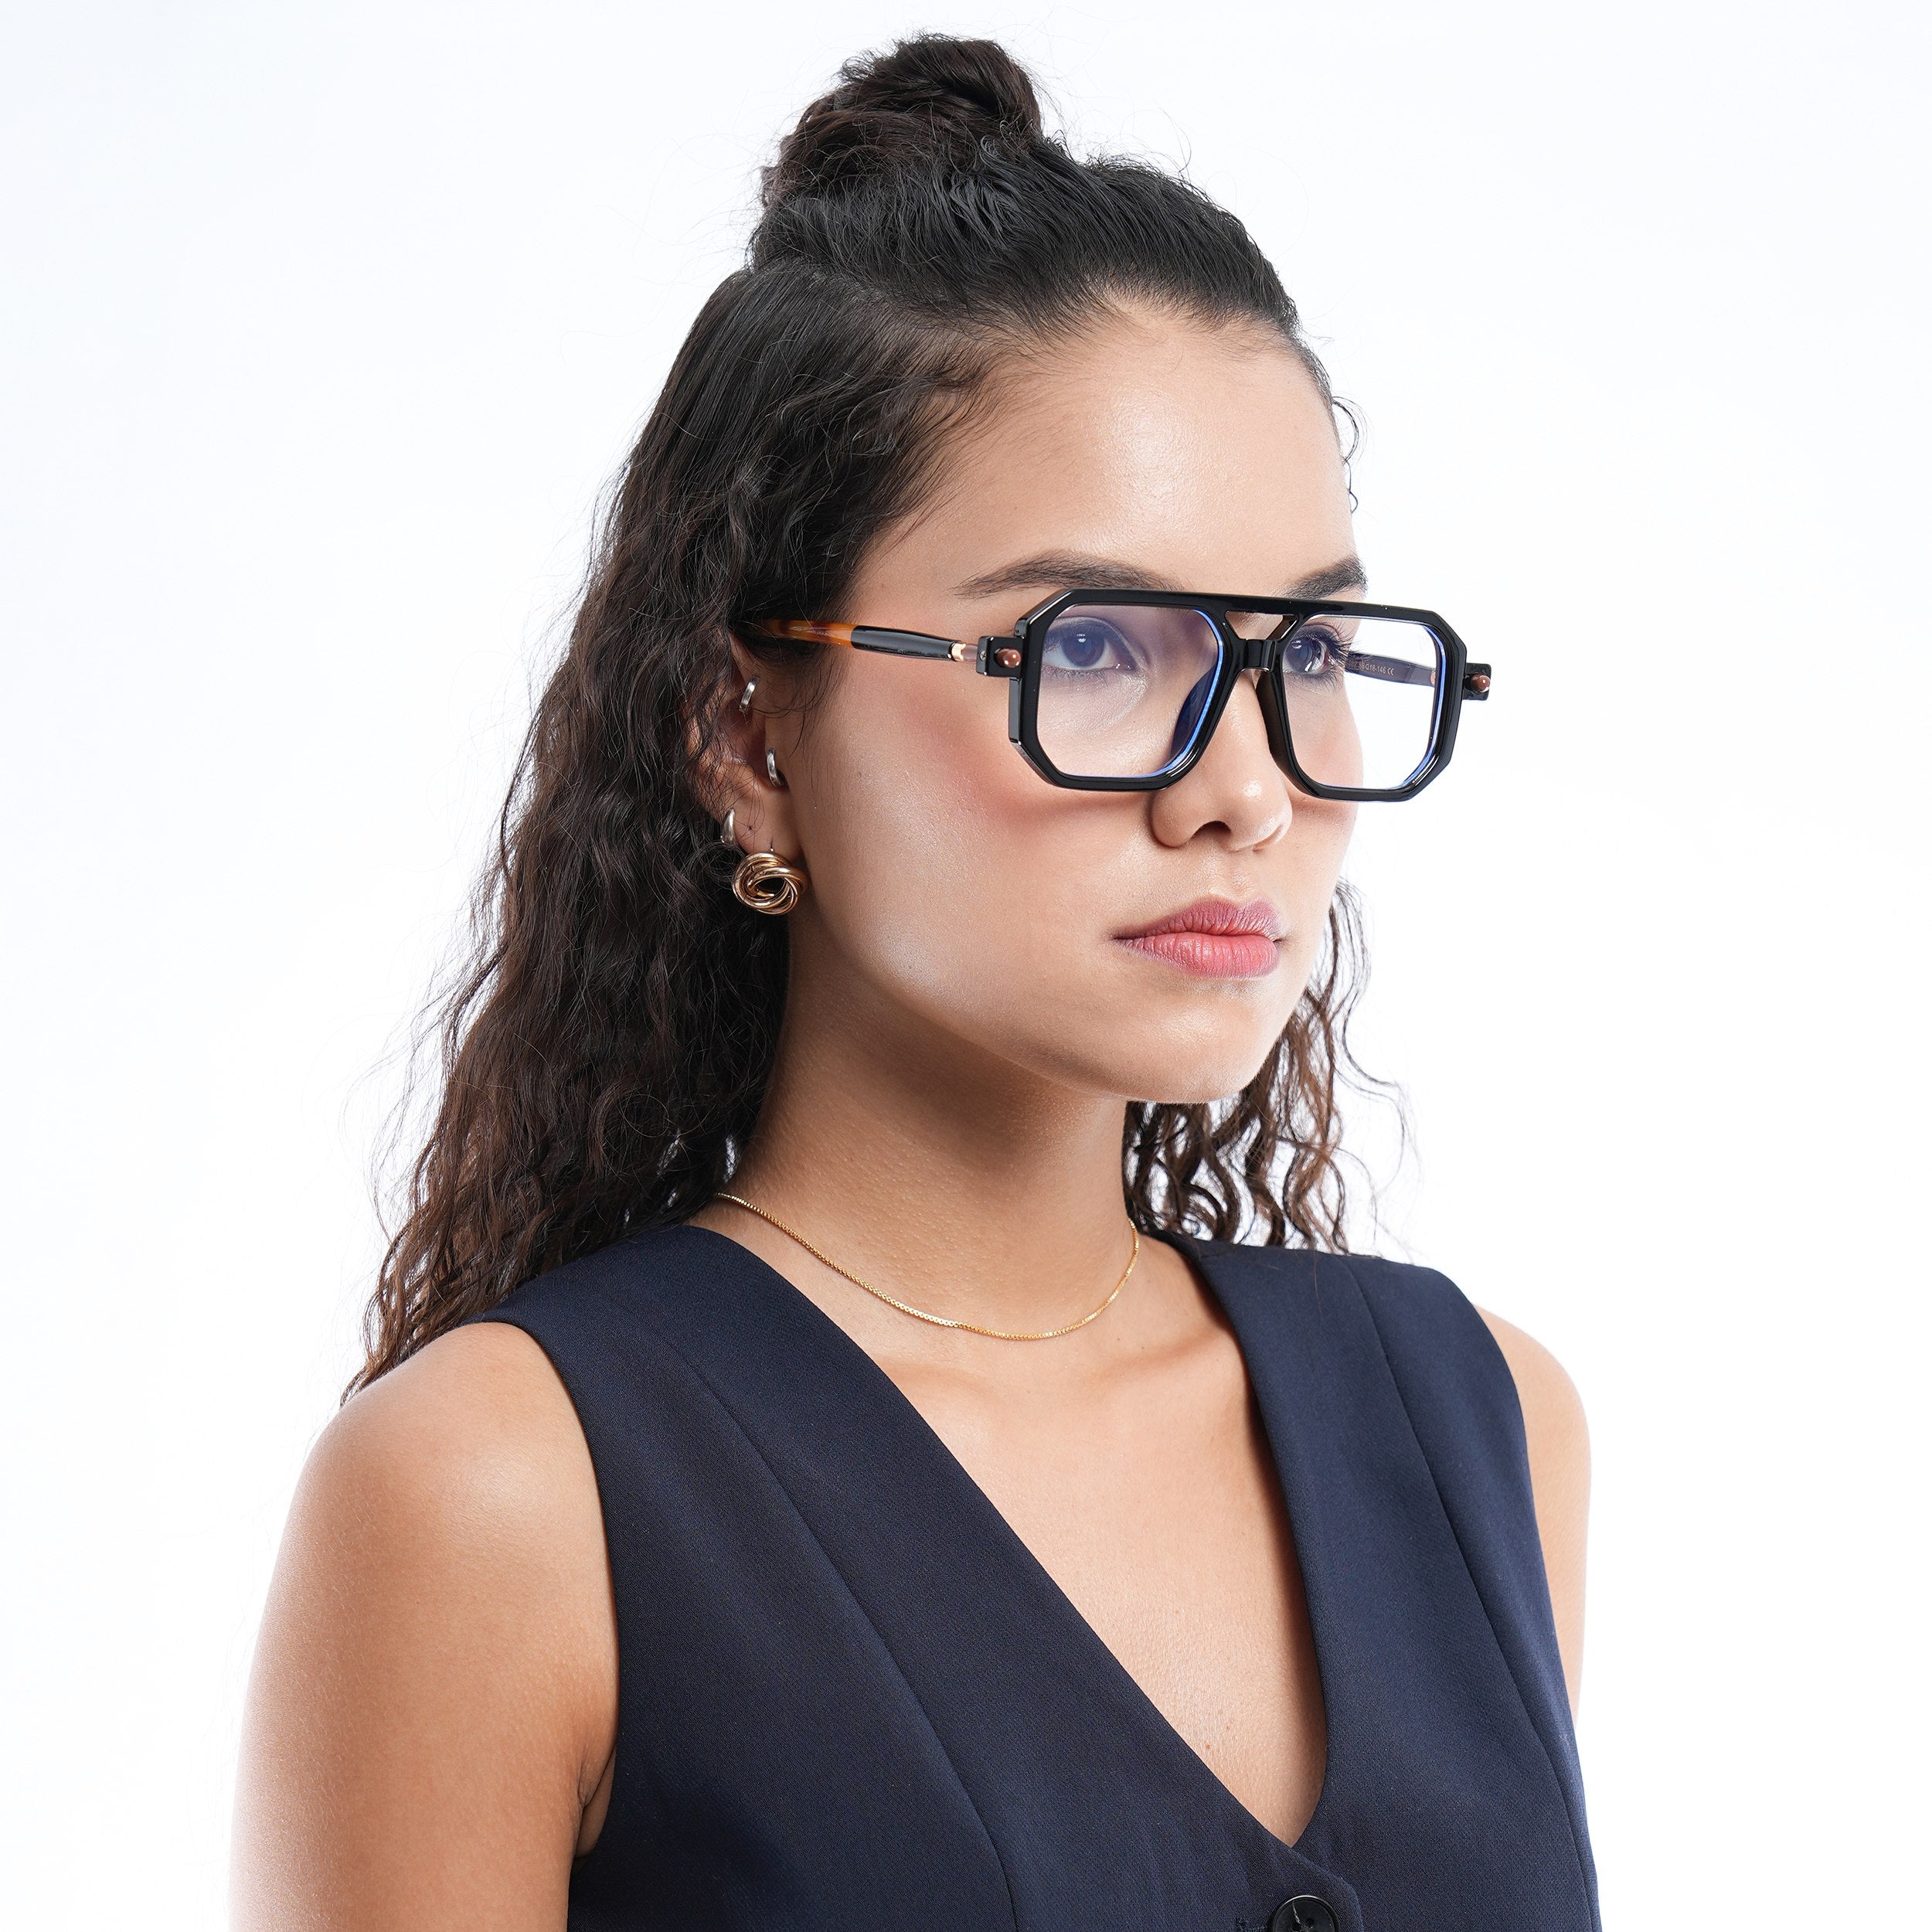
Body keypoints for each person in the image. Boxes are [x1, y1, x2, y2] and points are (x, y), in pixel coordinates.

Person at [232, 32, 1597, 1932]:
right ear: (747, 732)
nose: (1245, 788)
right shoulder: (504, 1491)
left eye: (1305, 650)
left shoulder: (1479, 1421)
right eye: (1094, 646)